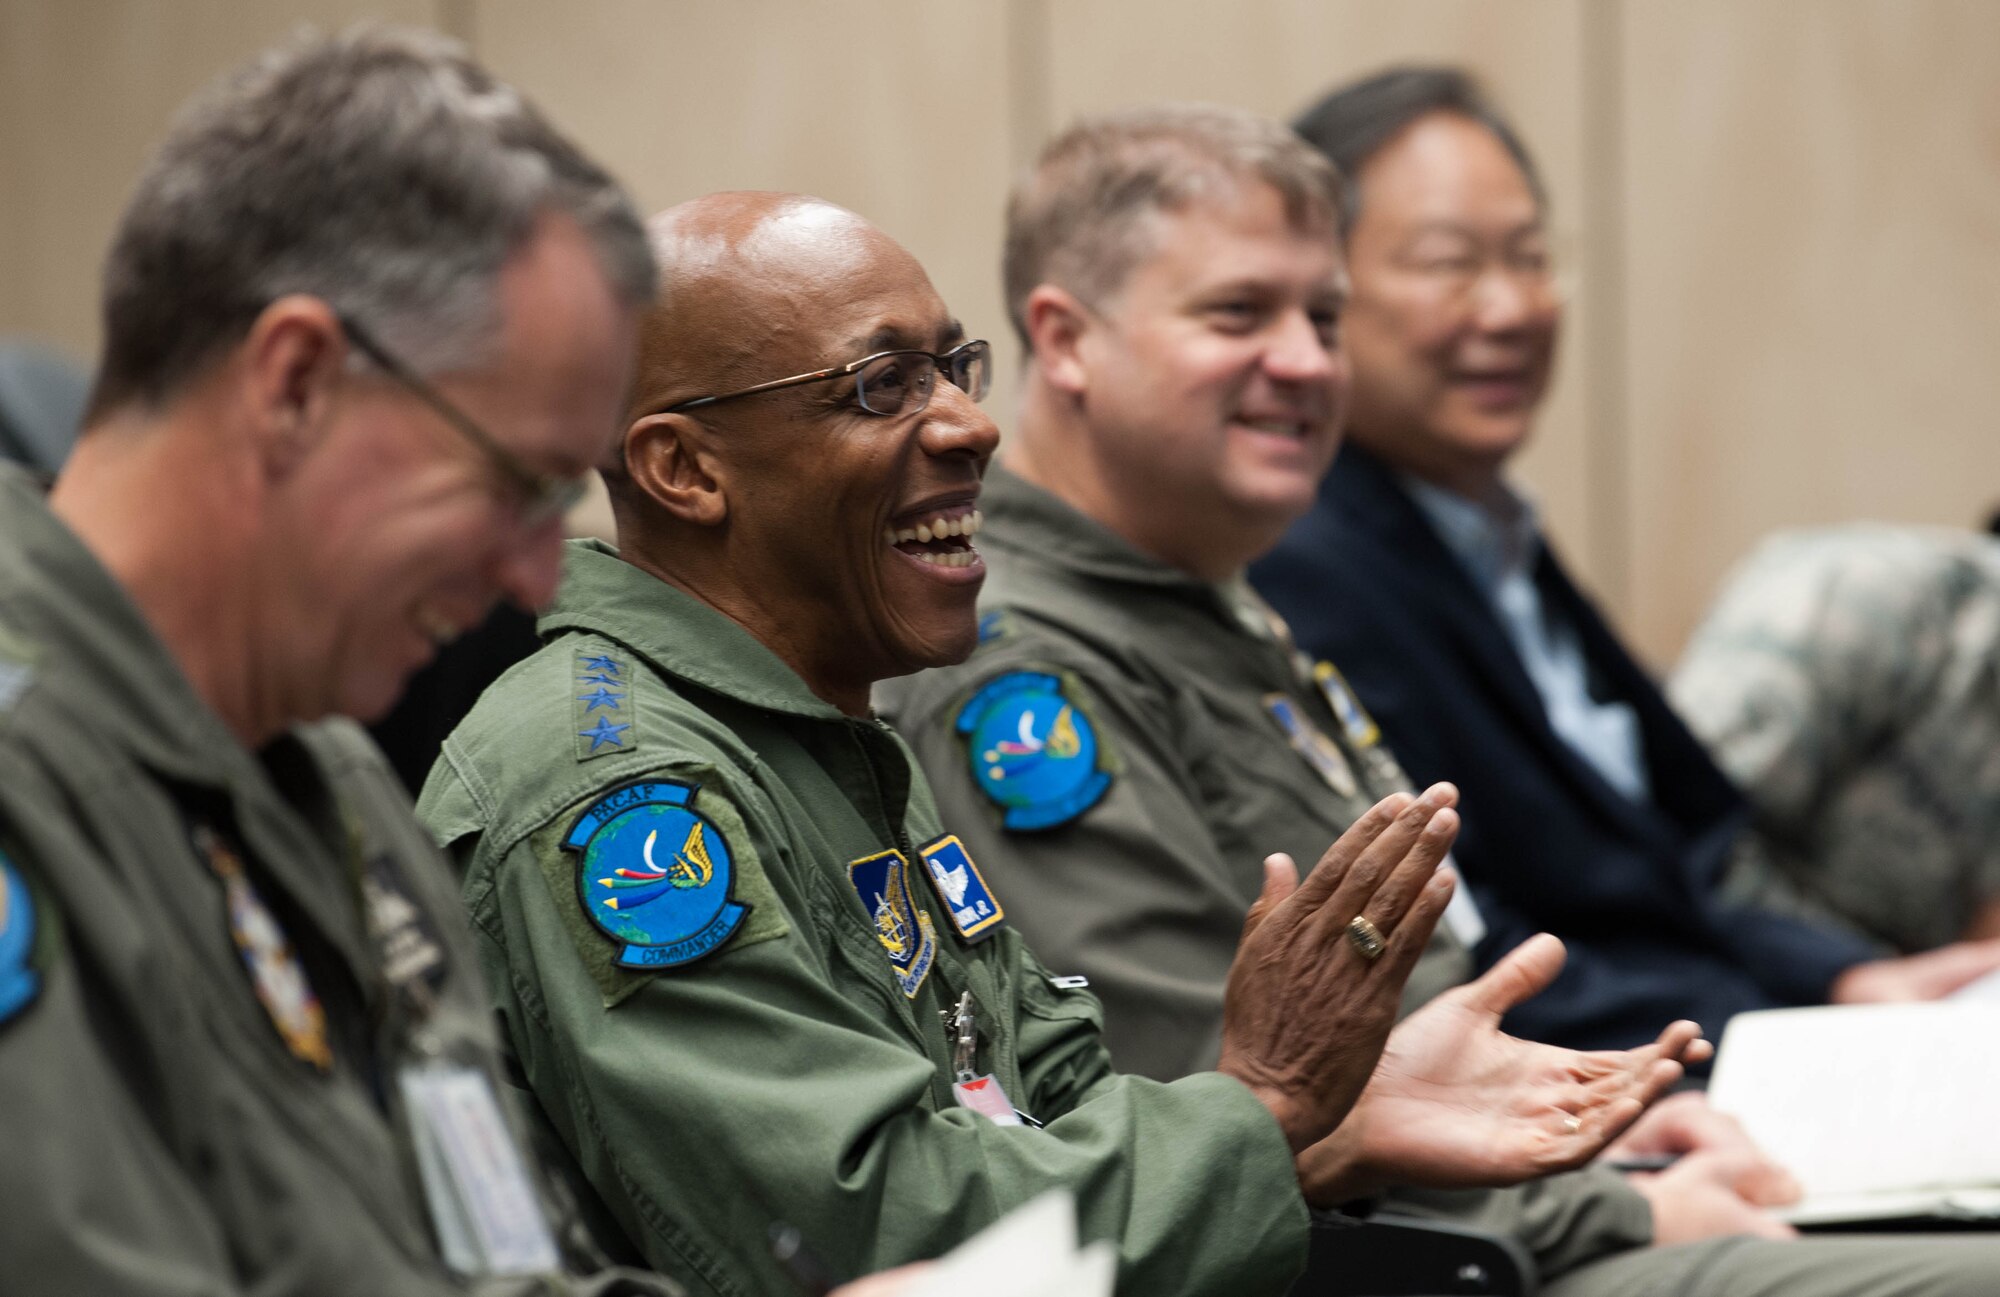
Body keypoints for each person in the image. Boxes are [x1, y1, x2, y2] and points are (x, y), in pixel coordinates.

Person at [417, 188, 1698, 1297]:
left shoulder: (822, 722)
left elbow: (1045, 1096)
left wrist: (1328, 1120)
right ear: (685, 470)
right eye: (880, 385)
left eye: (950, 367)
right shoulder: (624, 795)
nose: (967, 425)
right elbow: (874, 1242)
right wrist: (1267, 1107)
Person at [880, 101, 2000, 1296]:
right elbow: (1197, 1099)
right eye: (1237, 313)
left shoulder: (1210, 601)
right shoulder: (1022, 680)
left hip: (1520, 1194)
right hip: (1423, 1257)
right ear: (1064, 339)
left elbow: (1427, 1006)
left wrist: (1595, 1124)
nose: (1307, 361)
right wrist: (1610, 1207)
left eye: (1322, 317)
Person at [0, 26, 693, 1295]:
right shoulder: (31, 779)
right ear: (298, 382)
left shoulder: (331, 769)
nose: (539, 580)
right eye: (517, 489)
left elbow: (493, 1259)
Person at [1247, 66, 2000, 1053]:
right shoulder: (1311, 562)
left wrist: (1849, 981)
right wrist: (1793, 1041)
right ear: (1322, 294)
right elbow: (1467, 944)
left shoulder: (1483, 526)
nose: (1510, 306)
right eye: (1449, 263)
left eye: (1527, 257)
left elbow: (1665, 871)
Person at [1671, 523, 2000, 953]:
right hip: (1714, 977)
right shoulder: (1866, 594)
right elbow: (1673, 831)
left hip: (1879, 1000)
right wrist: (1846, 971)